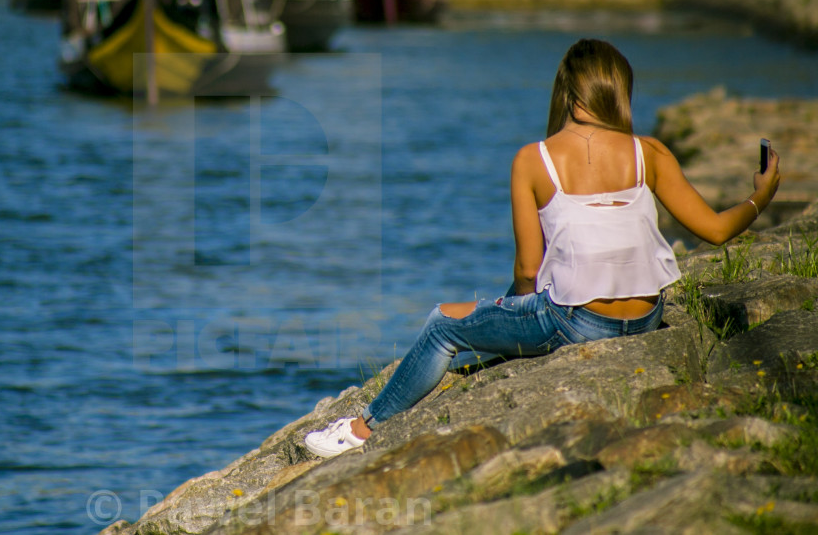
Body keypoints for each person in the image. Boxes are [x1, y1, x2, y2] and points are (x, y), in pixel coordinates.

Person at [304, 39, 781, 458]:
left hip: (577, 321)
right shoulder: (648, 152)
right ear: (618, 91)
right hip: (645, 318)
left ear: (568, 93)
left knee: (442, 326)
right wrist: (761, 194)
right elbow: (715, 231)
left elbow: (529, 271)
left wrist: (507, 316)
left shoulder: (534, 159)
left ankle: (362, 430)